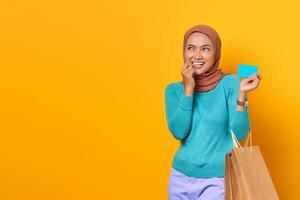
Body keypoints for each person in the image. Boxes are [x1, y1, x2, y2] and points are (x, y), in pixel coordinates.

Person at [165, 24, 262, 200]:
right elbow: (179, 132)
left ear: (216, 52)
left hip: (217, 178)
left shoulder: (230, 83)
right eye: (191, 48)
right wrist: (188, 89)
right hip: (180, 176)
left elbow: (239, 133)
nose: (197, 55)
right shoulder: (173, 90)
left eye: (205, 49)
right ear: (184, 52)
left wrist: (242, 94)